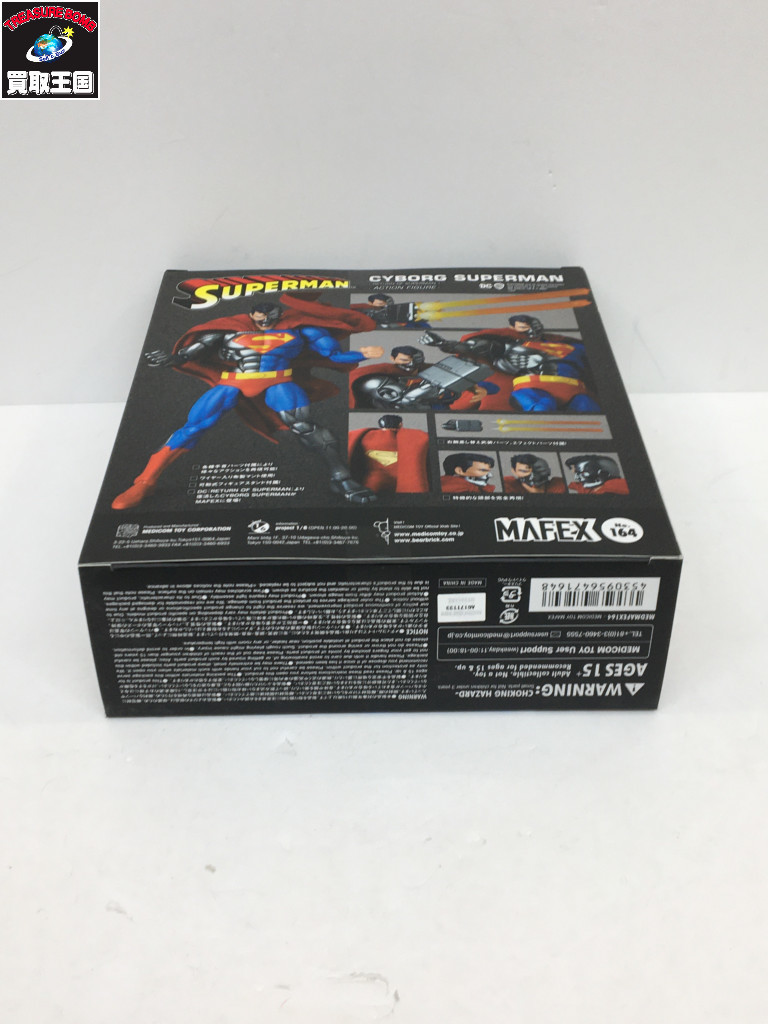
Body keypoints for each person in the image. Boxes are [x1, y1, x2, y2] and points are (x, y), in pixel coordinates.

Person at [112, 296, 383, 509]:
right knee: (193, 426)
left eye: (270, 318)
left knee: (306, 426)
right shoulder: (228, 330)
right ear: (251, 316)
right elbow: (190, 353)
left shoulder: (302, 329)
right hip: (235, 380)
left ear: (279, 315)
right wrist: (171, 359)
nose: (265, 322)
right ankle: (145, 482)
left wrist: (363, 354)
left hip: (278, 380)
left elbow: (334, 355)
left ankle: (342, 479)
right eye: (259, 318)